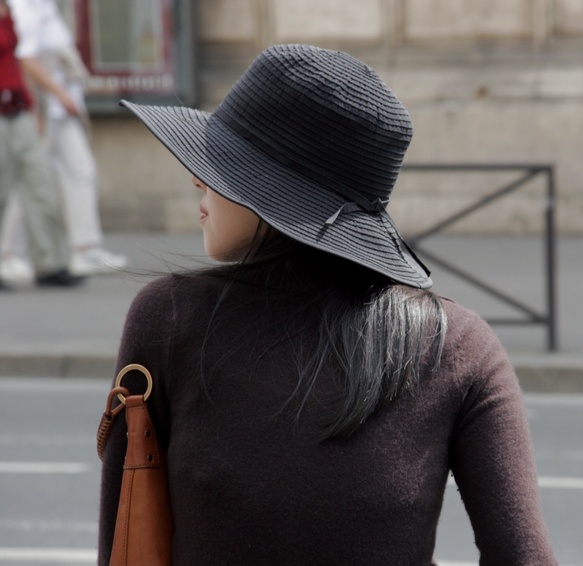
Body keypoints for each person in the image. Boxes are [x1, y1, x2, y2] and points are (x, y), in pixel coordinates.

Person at [98, 44, 558, 564]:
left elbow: (124, 545)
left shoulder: (168, 318)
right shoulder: (461, 344)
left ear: (274, 192)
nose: (197, 178)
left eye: (223, 164)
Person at [6, 0, 127, 276]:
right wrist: (58, 93)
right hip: (45, 109)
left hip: (61, 110)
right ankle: (7, 252)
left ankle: (83, 249)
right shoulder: (25, 8)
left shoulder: (46, 6)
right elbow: (25, 59)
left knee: (80, 171)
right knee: (27, 179)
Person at [0, 0, 82, 289]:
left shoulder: (9, 12)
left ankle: (48, 263)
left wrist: (31, 106)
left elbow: (15, 60)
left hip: (17, 108)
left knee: (41, 184)